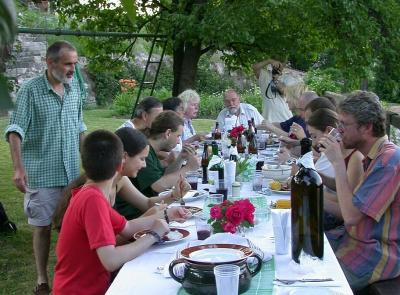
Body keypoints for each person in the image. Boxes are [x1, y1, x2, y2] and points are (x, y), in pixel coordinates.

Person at [53, 130, 183, 295]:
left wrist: (168, 214)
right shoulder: (93, 200)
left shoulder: (91, 192)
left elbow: (127, 227)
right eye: (142, 159)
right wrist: (153, 235)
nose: (144, 164)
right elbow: (111, 260)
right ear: (121, 162)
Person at [4, 41, 86, 295]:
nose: (74, 68)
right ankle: (41, 279)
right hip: (42, 172)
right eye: (68, 63)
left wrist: (90, 162)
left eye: (75, 63)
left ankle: (71, 273)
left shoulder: (74, 89)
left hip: (72, 172)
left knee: (72, 226)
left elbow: (80, 126)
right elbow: (15, 131)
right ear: (50, 63)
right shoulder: (30, 90)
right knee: (42, 226)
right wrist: (19, 169)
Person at [319, 91, 400, 290]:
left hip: (374, 254)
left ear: (366, 127)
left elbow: (351, 217)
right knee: (296, 248)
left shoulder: (389, 161)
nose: (338, 130)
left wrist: (337, 162)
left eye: (344, 124)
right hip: (351, 241)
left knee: (313, 286)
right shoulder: (373, 157)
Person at [54, 127, 190, 227]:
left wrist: (174, 195)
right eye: (142, 159)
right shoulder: (96, 193)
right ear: (124, 157)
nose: (144, 165)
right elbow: (113, 242)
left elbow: (147, 203)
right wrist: (150, 220)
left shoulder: (120, 180)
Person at [119, 111, 199, 212]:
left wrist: (180, 158)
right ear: (168, 133)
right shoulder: (144, 152)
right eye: (178, 136)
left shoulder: (150, 151)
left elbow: (164, 178)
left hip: (148, 210)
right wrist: (189, 169)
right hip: (136, 214)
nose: (179, 141)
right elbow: (158, 185)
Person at [306, 108, 364, 230]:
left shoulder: (356, 157)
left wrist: (312, 194)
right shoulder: (340, 152)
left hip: (342, 226)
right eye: (338, 125)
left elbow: (346, 209)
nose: (339, 130)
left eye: (344, 125)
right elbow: (339, 186)